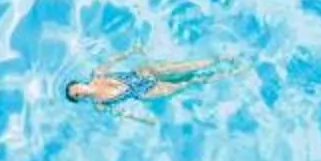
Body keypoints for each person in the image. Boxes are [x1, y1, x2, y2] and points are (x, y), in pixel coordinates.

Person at [63, 54, 235, 116]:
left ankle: (221, 59)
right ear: (79, 99)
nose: (78, 91)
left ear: (78, 82)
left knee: (185, 67)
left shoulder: (98, 73)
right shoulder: (99, 105)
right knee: (189, 81)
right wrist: (143, 119)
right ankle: (227, 73)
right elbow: (121, 114)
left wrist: (132, 50)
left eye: (75, 87)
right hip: (145, 93)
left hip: (143, 73)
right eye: (75, 95)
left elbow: (113, 60)